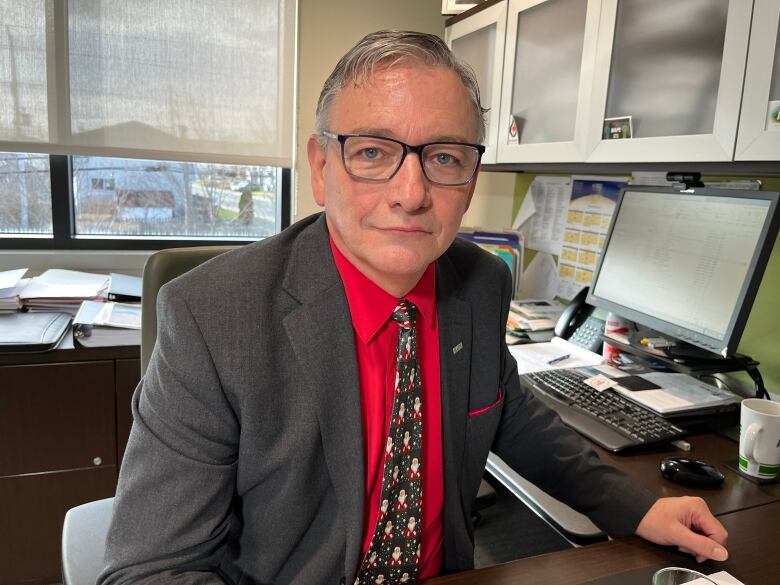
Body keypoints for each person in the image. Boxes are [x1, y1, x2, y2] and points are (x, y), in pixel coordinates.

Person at [99, 30, 728, 585]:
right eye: (372, 152)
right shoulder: (211, 318)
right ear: (322, 168)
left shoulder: (479, 283)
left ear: (469, 181)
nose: (411, 194)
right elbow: (151, 570)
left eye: (444, 157)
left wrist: (639, 508)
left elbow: (511, 417)